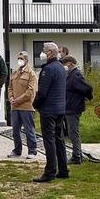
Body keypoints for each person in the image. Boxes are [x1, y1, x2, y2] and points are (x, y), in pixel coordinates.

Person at [32, 42, 69, 182]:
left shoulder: (48, 69)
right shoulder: (60, 67)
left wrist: (35, 105)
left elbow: (42, 92)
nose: (42, 53)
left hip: (49, 110)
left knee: (49, 140)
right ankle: (63, 169)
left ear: (50, 53)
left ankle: (50, 171)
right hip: (60, 109)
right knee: (59, 139)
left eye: (44, 50)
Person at [61, 56, 93, 165]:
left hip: (73, 108)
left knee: (73, 132)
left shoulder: (75, 75)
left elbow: (87, 88)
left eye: (64, 64)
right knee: (71, 132)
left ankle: (77, 156)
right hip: (69, 107)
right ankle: (77, 154)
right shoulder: (70, 75)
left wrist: (86, 98)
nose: (64, 67)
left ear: (70, 63)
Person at [7, 51, 38, 160]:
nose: (19, 60)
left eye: (22, 58)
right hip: (14, 107)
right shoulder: (15, 73)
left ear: (26, 60)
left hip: (26, 106)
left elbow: (30, 91)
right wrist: (11, 98)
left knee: (29, 129)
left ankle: (32, 151)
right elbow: (9, 87)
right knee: (15, 130)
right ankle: (17, 150)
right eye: (18, 58)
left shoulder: (31, 74)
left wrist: (18, 100)